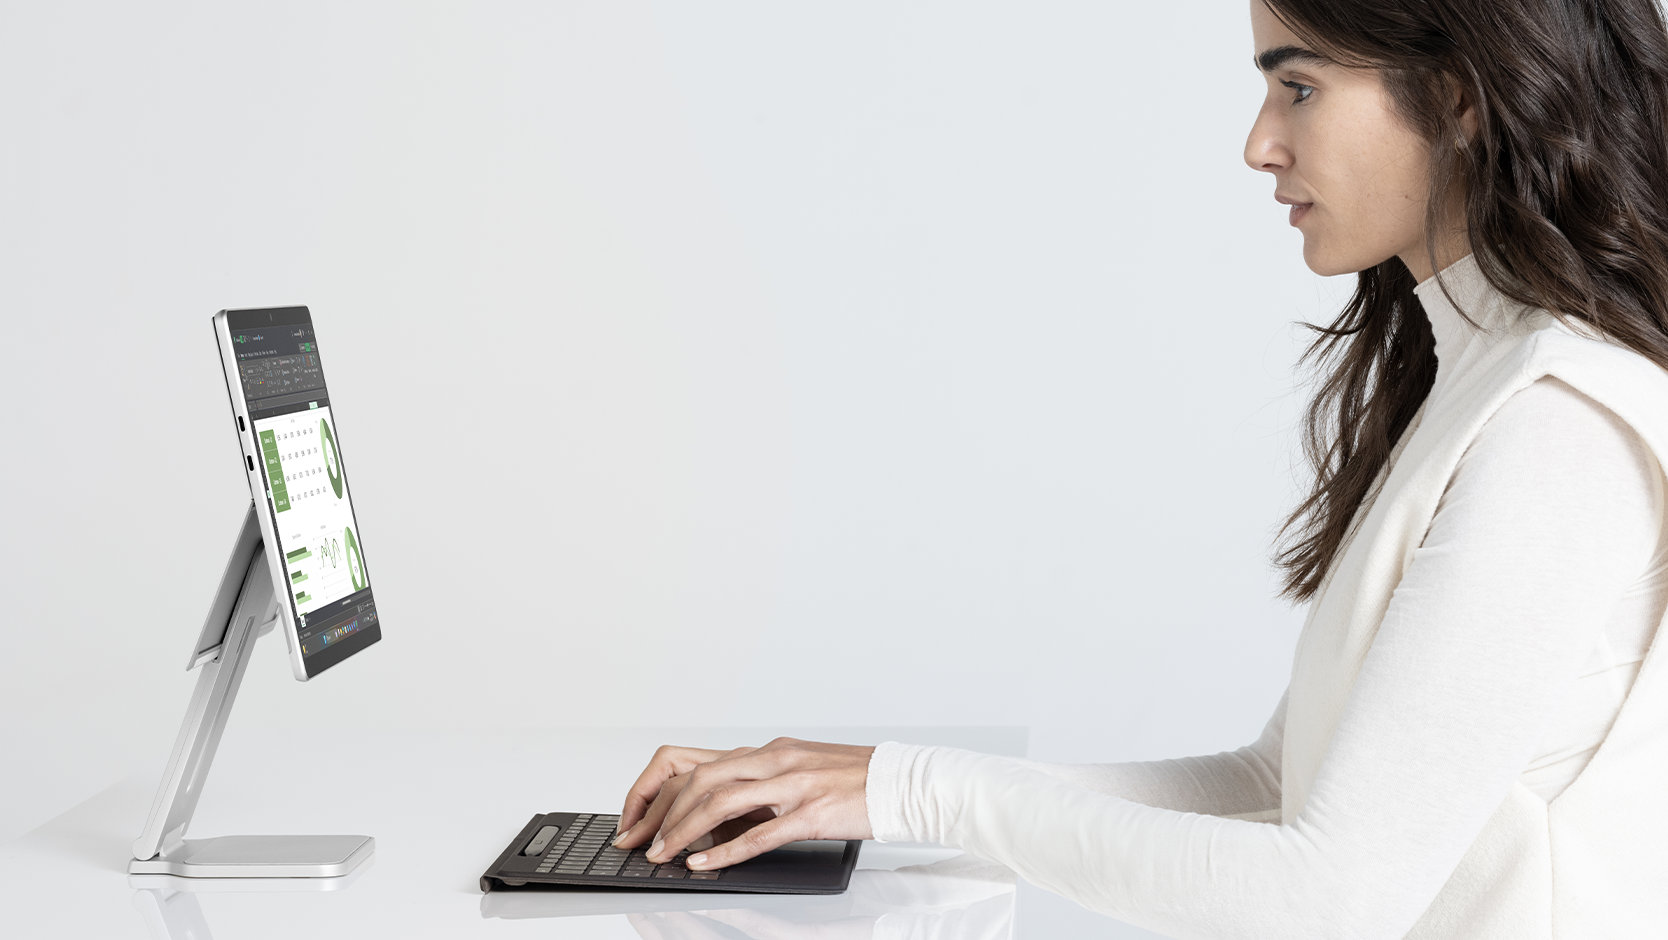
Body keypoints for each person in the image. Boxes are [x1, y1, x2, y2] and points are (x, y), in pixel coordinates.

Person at [611, 1, 1668, 935]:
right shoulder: (1481, 384)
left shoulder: (1559, 424)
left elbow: (1327, 896)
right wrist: (855, 803)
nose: (1261, 144)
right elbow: (1272, 782)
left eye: (1298, 87)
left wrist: (918, 791)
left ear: (1459, 96)